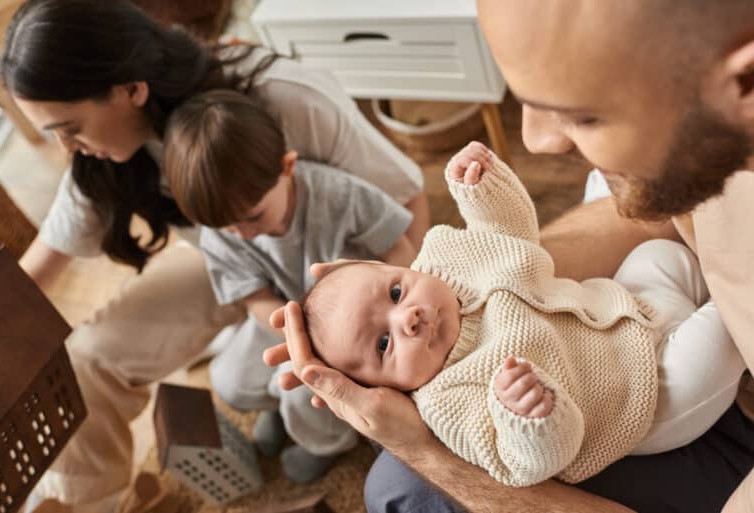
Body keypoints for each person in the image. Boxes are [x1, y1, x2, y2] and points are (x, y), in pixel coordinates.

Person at [264, 1, 754, 512]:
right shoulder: (449, 387)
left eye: (583, 112)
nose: (535, 140)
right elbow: (523, 240)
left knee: (404, 490)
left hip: (658, 386)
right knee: (395, 487)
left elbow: (511, 233)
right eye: (384, 341)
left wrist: (423, 451)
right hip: (624, 365)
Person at [0, 0, 428, 511]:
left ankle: (318, 425)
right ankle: (87, 504)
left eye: (71, 127)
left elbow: (406, 200)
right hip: (240, 263)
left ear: (131, 89)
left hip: (339, 257)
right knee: (87, 360)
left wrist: (393, 329)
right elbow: (28, 282)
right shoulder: (101, 166)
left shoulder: (281, 99)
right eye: (56, 134)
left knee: (308, 376)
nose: (69, 147)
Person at [298, 141, 744, 487]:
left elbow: (511, 234)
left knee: (660, 255)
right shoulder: (447, 401)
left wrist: (481, 188)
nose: (407, 318)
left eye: (395, 291)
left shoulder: (448, 261)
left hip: (627, 308)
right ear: (382, 389)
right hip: (647, 399)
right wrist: (529, 418)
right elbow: (525, 465)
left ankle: (720, 273)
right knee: (728, 322)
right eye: (383, 343)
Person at [161, 89, 417, 483]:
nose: (243, 235)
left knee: (303, 393)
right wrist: (294, 333)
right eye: (228, 227)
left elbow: (398, 246)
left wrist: (399, 299)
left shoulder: (338, 195)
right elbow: (255, 299)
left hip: (353, 324)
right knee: (230, 378)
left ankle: (325, 444)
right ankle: (279, 411)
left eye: (252, 217)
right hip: (281, 320)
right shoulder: (221, 232)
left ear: (287, 167)